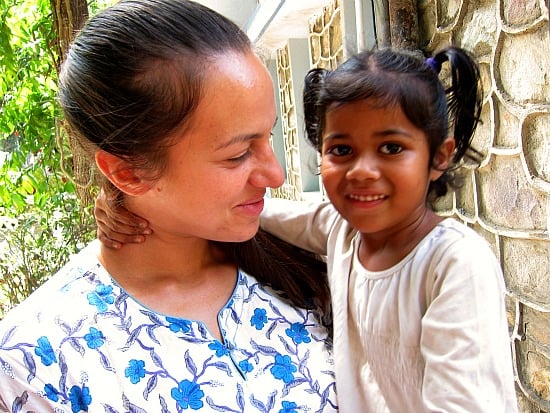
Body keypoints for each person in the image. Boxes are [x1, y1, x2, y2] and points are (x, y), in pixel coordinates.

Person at [95, 46, 519, 412]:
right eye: (341, 150)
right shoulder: (342, 232)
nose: (363, 171)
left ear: (439, 157)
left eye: (391, 148)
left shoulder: (454, 264)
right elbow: (246, 213)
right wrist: (135, 201)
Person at [0, 1, 339, 412]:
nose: (275, 175)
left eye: (267, 138)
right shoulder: (35, 362)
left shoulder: (310, 266)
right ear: (126, 173)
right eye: (237, 155)